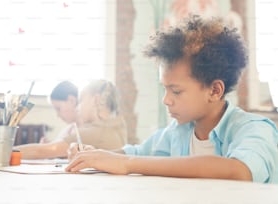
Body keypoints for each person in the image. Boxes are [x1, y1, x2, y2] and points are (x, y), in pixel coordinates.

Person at [65, 16, 278, 183]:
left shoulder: (254, 129)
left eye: (176, 91)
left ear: (214, 90)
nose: (166, 100)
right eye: (164, 89)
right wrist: (98, 156)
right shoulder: (178, 131)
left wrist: (128, 163)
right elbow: (137, 152)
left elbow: (239, 171)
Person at [15, 79, 128, 159]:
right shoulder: (117, 125)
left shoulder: (93, 132)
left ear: (96, 100)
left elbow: (40, 151)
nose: (78, 107)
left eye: (81, 100)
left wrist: (4, 153)